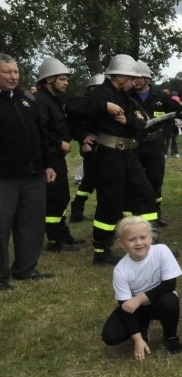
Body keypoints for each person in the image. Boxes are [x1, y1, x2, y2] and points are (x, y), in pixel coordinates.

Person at [68, 54, 160, 265]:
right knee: (110, 203)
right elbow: (72, 108)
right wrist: (101, 111)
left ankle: (152, 244)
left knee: (145, 195)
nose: (134, 82)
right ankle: (101, 250)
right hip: (108, 156)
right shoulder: (99, 95)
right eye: (130, 78)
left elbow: (140, 126)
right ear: (118, 76)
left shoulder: (128, 99)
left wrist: (126, 120)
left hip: (128, 155)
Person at [0, 53, 56, 290]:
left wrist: (48, 164)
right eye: (7, 72)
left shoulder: (27, 99)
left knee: (31, 224)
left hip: (33, 175)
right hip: (4, 178)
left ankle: (25, 268)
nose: (14, 77)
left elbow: (40, 134)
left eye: (16, 72)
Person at [100, 217, 182, 360]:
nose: (139, 243)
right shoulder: (121, 270)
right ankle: (142, 326)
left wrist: (139, 299)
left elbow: (169, 285)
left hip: (159, 301)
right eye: (132, 240)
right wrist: (137, 339)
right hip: (136, 308)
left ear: (151, 237)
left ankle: (170, 337)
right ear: (122, 244)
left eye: (143, 237)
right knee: (110, 336)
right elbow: (126, 306)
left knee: (169, 299)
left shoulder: (162, 251)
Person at [35, 57, 84, 252]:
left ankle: (63, 234)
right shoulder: (41, 101)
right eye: (62, 79)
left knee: (62, 197)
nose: (66, 82)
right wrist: (59, 142)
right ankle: (55, 240)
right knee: (55, 198)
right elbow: (39, 130)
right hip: (50, 156)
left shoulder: (52, 100)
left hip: (57, 156)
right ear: (49, 80)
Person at [130, 60, 182, 227]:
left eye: (139, 78)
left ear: (147, 79)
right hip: (134, 145)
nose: (136, 81)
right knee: (135, 181)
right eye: (133, 78)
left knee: (155, 180)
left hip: (155, 146)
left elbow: (176, 111)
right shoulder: (127, 96)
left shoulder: (160, 97)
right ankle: (136, 215)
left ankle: (155, 213)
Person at [65, 73, 105, 222]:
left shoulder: (107, 103)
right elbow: (73, 124)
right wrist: (83, 139)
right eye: (97, 88)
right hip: (92, 147)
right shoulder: (83, 104)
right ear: (91, 88)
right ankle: (76, 213)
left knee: (102, 180)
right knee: (90, 180)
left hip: (107, 147)